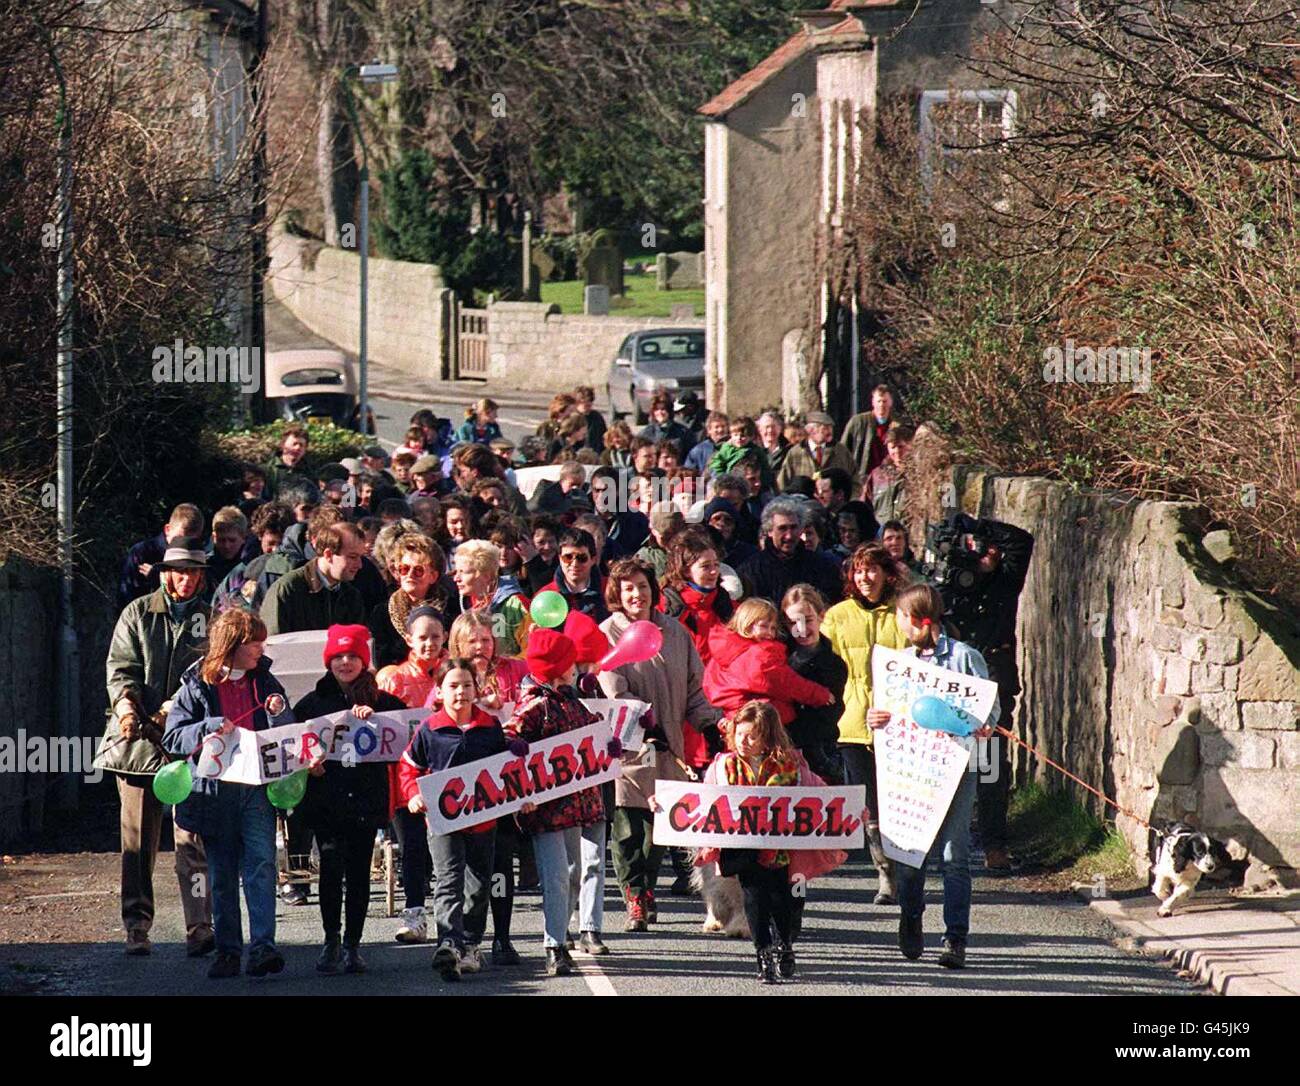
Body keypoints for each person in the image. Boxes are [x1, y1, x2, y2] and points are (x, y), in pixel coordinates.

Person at [162, 609, 297, 979]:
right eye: (255, 642)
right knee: (221, 874)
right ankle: (227, 950)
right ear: (234, 644)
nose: (260, 648)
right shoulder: (195, 685)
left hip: (256, 789)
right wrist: (206, 727)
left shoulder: (265, 680)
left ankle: (263, 947)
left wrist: (278, 712)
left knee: (262, 866)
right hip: (214, 792)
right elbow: (173, 737)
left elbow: (285, 733)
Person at [874, 583, 1000, 968]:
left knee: (954, 855)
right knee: (911, 855)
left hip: (956, 769)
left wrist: (985, 726)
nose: (897, 624)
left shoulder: (965, 657)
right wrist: (876, 718)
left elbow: (990, 710)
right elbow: (889, 713)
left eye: (900, 617)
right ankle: (911, 915)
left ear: (920, 620)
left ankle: (954, 938)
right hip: (914, 770)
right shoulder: (901, 663)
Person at [99, 538, 214, 957]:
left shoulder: (209, 617)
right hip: (137, 741)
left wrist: (176, 709)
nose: (186, 579)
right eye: (178, 571)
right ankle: (136, 925)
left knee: (193, 841)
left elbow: (211, 672)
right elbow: (120, 668)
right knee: (137, 843)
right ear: (165, 573)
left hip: (188, 741)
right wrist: (128, 707)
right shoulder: (138, 612)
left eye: (194, 572)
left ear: (202, 576)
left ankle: (200, 925)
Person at [597, 558, 721, 930]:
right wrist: (643, 724)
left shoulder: (676, 633)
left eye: (642, 585)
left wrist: (711, 725)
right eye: (628, 588)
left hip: (671, 748)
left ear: (654, 589)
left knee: (661, 828)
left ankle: (647, 888)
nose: (637, 594)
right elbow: (613, 691)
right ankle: (635, 895)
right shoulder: (609, 633)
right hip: (628, 748)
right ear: (618, 594)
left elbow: (694, 690)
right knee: (628, 828)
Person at [292, 625, 406, 975]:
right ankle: (330, 940)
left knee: (358, 874)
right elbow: (293, 747)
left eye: (353, 655)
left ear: (364, 660)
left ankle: (353, 945)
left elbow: (403, 738)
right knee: (329, 870)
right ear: (329, 661)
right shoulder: (312, 703)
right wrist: (308, 766)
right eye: (338, 656)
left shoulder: (382, 700)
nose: (345, 662)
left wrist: (377, 722)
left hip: (365, 802)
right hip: (326, 802)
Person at [506, 630, 610, 975]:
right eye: (571, 664)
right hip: (547, 808)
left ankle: (562, 932)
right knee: (555, 877)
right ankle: (554, 945)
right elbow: (509, 736)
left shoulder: (572, 699)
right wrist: (515, 747)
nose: (577, 669)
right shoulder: (534, 704)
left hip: (578, 804)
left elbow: (594, 733)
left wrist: (619, 738)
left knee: (573, 873)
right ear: (559, 669)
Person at [399, 659, 508, 980]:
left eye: (467, 685)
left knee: (478, 885)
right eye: (453, 686)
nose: (461, 692)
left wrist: (520, 795)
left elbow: (506, 770)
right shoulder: (429, 728)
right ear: (440, 690)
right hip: (442, 821)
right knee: (448, 881)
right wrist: (413, 795)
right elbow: (408, 767)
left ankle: (471, 945)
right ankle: (448, 942)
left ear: (477, 689)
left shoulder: (490, 727)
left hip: (483, 822)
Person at [938, 512, 1034, 872]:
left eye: (994, 552)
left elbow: (1021, 542)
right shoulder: (947, 584)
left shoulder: (1003, 584)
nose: (988, 556)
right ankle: (940, 839)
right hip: (950, 682)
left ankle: (995, 844)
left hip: (991, 677)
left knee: (990, 762)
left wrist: (977, 528)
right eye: (982, 552)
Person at [823, 542, 910, 905]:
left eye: (872, 569)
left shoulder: (903, 612)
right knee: (870, 804)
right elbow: (824, 664)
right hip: (853, 723)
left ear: (887, 574)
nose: (865, 577)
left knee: (898, 801)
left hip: (900, 723)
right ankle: (885, 874)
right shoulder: (838, 615)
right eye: (859, 570)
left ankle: (907, 868)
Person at [440, 609, 529, 962]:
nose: (480, 646)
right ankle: (464, 938)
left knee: (501, 865)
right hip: (460, 792)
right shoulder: (449, 675)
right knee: (464, 872)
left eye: (486, 639)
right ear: (458, 644)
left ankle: (502, 937)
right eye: (472, 640)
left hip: (502, 785)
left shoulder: (514, 671)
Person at [693, 700, 804, 984]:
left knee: (781, 901)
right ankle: (763, 956)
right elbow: (701, 801)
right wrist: (665, 805)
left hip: (778, 848)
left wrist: (853, 811)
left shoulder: (790, 765)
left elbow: (818, 794)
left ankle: (784, 947)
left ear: (767, 737)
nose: (743, 741)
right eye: (739, 734)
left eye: (751, 735)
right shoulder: (723, 766)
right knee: (753, 898)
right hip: (742, 847)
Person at [702, 598, 834, 725]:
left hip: (730, 716)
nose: (770, 633)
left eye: (773, 628)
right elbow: (784, 681)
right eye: (764, 626)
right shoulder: (759, 655)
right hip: (756, 721)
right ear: (747, 625)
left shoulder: (723, 652)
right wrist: (818, 694)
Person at [781, 584, 847, 783]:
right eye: (793, 622)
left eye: (807, 620)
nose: (801, 629)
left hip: (820, 751)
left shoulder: (834, 664)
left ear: (821, 616)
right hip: (782, 747)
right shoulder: (779, 657)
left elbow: (831, 712)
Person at [261, 521, 368, 637]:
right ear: (328, 555)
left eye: (360, 557)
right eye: (352, 557)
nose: (360, 565)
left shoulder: (351, 595)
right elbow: (274, 644)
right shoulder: (288, 590)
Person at [737, 498, 843, 605]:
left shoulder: (822, 566)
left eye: (793, 527)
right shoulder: (750, 571)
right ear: (769, 531)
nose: (789, 536)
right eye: (782, 528)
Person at [369, 534, 453, 668]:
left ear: (433, 576)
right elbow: (380, 658)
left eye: (418, 570)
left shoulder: (450, 610)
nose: (409, 575)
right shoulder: (382, 613)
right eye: (404, 569)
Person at [117, 503, 206, 612]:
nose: (182, 544)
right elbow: (126, 598)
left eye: (190, 541)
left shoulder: (198, 558)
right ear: (167, 529)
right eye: (178, 538)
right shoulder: (142, 553)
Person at [451, 539, 529, 656]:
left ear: (486, 576)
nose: (456, 578)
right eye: (456, 572)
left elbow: (530, 649)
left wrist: (507, 668)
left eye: (463, 572)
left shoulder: (516, 605)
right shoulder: (464, 603)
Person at [536, 527, 608, 622]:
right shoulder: (546, 596)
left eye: (582, 558)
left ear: (593, 560)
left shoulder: (609, 589)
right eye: (568, 557)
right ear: (560, 559)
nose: (574, 564)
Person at [777, 411, 856, 491]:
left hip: (835, 502)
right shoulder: (795, 453)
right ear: (811, 431)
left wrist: (850, 499)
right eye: (825, 428)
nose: (830, 432)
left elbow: (855, 480)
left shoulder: (840, 451)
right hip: (804, 502)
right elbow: (782, 484)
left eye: (831, 428)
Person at [589, 467, 650, 563]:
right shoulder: (582, 519)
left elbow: (643, 556)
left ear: (617, 491)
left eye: (606, 490)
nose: (601, 496)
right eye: (597, 490)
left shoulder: (637, 521)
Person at [841, 384, 896, 482]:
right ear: (873, 402)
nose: (881, 405)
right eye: (879, 401)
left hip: (888, 479)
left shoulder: (897, 426)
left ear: (890, 402)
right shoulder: (858, 422)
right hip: (862, 479)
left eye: (885, 401)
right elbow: (843, 452)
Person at [866, 421, 912, 524]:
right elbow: (864, 508)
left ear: (911, 446)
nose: (897, 452)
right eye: (892, 447)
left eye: (901, 447)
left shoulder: (918, 475)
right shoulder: (877, 475)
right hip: (882, 535)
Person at [204, 507, 249, 597]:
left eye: (232, 540)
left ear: (243, 537)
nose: (226, 546)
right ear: (214, 537)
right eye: (221, 540)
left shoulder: (250, 568)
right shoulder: (204, 567)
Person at [634, 505, 684, 581]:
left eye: (675, 535)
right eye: (666, 537)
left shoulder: (696, 548)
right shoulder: (644, 557)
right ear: (652, 529)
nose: (671, 541)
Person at [638, 391, 692, 459]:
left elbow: (691, 456)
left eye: (663, 409)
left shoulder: (683, 432)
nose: (660, 412)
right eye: (656, 409)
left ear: (669, 411)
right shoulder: (645, 434)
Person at [263, 425, 311, 500]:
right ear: (283, 445)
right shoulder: (269, 470)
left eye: (301, 445)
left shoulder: (309, 472)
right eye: (294, 444)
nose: (298, 448)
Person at [684, 411, 729, 478]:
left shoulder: (734, 447)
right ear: (709, 430)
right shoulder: (698, 450)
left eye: (723, 426)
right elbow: (689, 473)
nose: (720, 430)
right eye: (716, 427)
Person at [756, 409, 790, 481]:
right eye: (767, 427)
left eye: (773, 426)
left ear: (780, 428)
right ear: (759, 429)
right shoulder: (753, 451)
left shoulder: (789, 450)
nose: (770, 430)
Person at [572, 385, 607, 452]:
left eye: (590, 401)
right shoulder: (572, 418)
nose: (588, 404)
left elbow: (604, 438)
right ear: (577, 402)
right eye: (585, 402)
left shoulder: (596, 417)